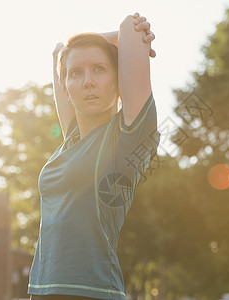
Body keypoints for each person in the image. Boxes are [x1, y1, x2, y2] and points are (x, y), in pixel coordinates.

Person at [27, 12, 160, 300]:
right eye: (76, 73)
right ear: (65, 87)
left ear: (118, 79)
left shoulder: (128, 137)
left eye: (100, 69)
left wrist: (117, 42)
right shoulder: (71, 138)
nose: (87, 81)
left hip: (93, 292)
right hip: (42, 290)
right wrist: (101, 47)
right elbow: (60, 52)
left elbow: (130, 28)